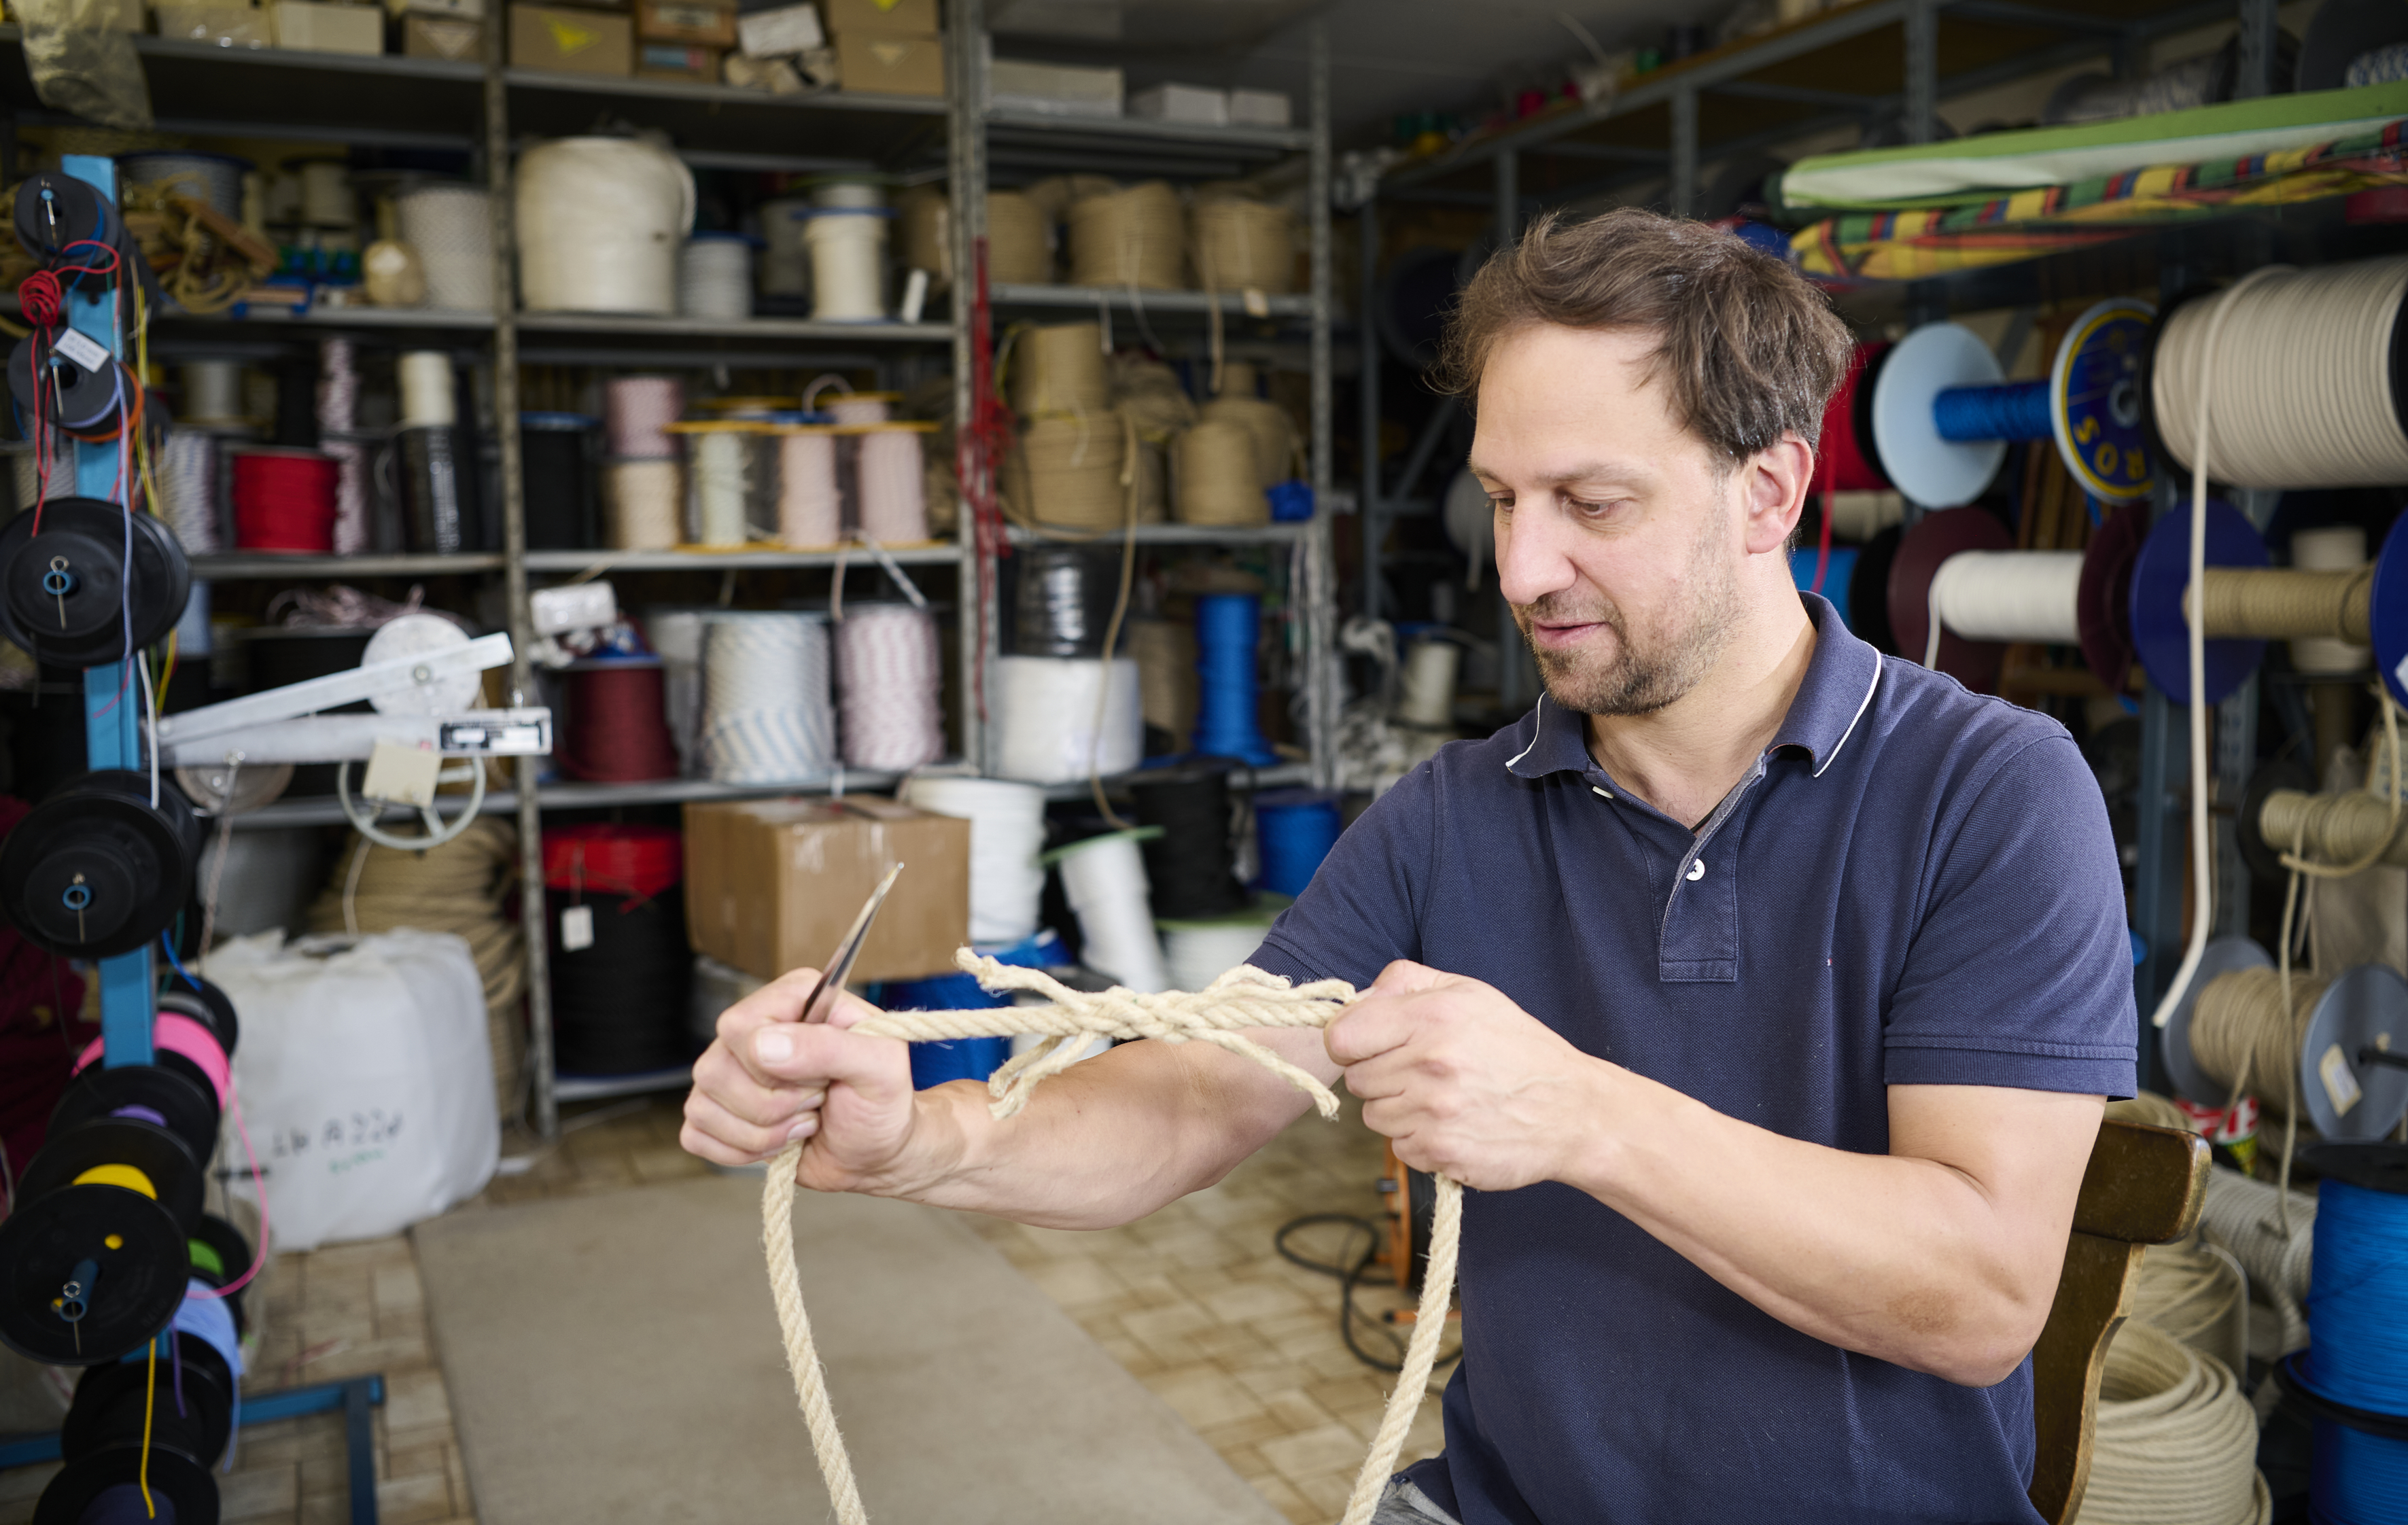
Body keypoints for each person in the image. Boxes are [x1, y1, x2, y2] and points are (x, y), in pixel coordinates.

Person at [683, 208, 2137, 1525]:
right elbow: (1203, 1086)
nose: (1517, 567)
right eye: (1504, 497)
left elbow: (1975, 1292)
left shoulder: (1990, 792)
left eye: (1591, 502)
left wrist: (1572, 1109)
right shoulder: (1456, 811)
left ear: (1766, 493)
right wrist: (929, 1137)